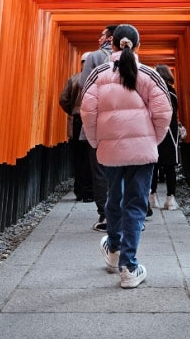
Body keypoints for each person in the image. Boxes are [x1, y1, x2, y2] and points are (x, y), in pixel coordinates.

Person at [80, 24, 172, 289]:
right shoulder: (148, 74)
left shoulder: (98, 74)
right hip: (142, 153)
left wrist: (98, 142)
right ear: (137, 45)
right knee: (135, 203)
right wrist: (151, 140)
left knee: (113, 198)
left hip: (110, 151)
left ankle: (114, 251)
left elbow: (88, 111)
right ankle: (129, 267)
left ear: (113, 44)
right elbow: (163, 111)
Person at [78, 25, 117, 231]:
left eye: (101, 34)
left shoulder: (94, 57)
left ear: (109, 38)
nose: (98, 37)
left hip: (97, 123)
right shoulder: (132, 59)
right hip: (121, 124)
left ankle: (105, 214)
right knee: (120, 169)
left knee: (100, 170)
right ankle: (123, 212)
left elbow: (84, 84)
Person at [58, 52, 93, 201]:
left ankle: (79, 191)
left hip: (77, 119)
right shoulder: (95, 79)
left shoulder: (74, 79)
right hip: (91, 120)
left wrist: (72, 110)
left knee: (78, 157)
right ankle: (90, 192)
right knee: (91, 157)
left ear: (81, 63)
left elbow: (63, 99)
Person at [150, 64, 181, 210]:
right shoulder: (172, 93)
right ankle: (170, 198)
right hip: (170, 131)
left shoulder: (152, 92)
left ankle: (152, 196)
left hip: (154, 130)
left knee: (153, 165)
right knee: (169, 167)